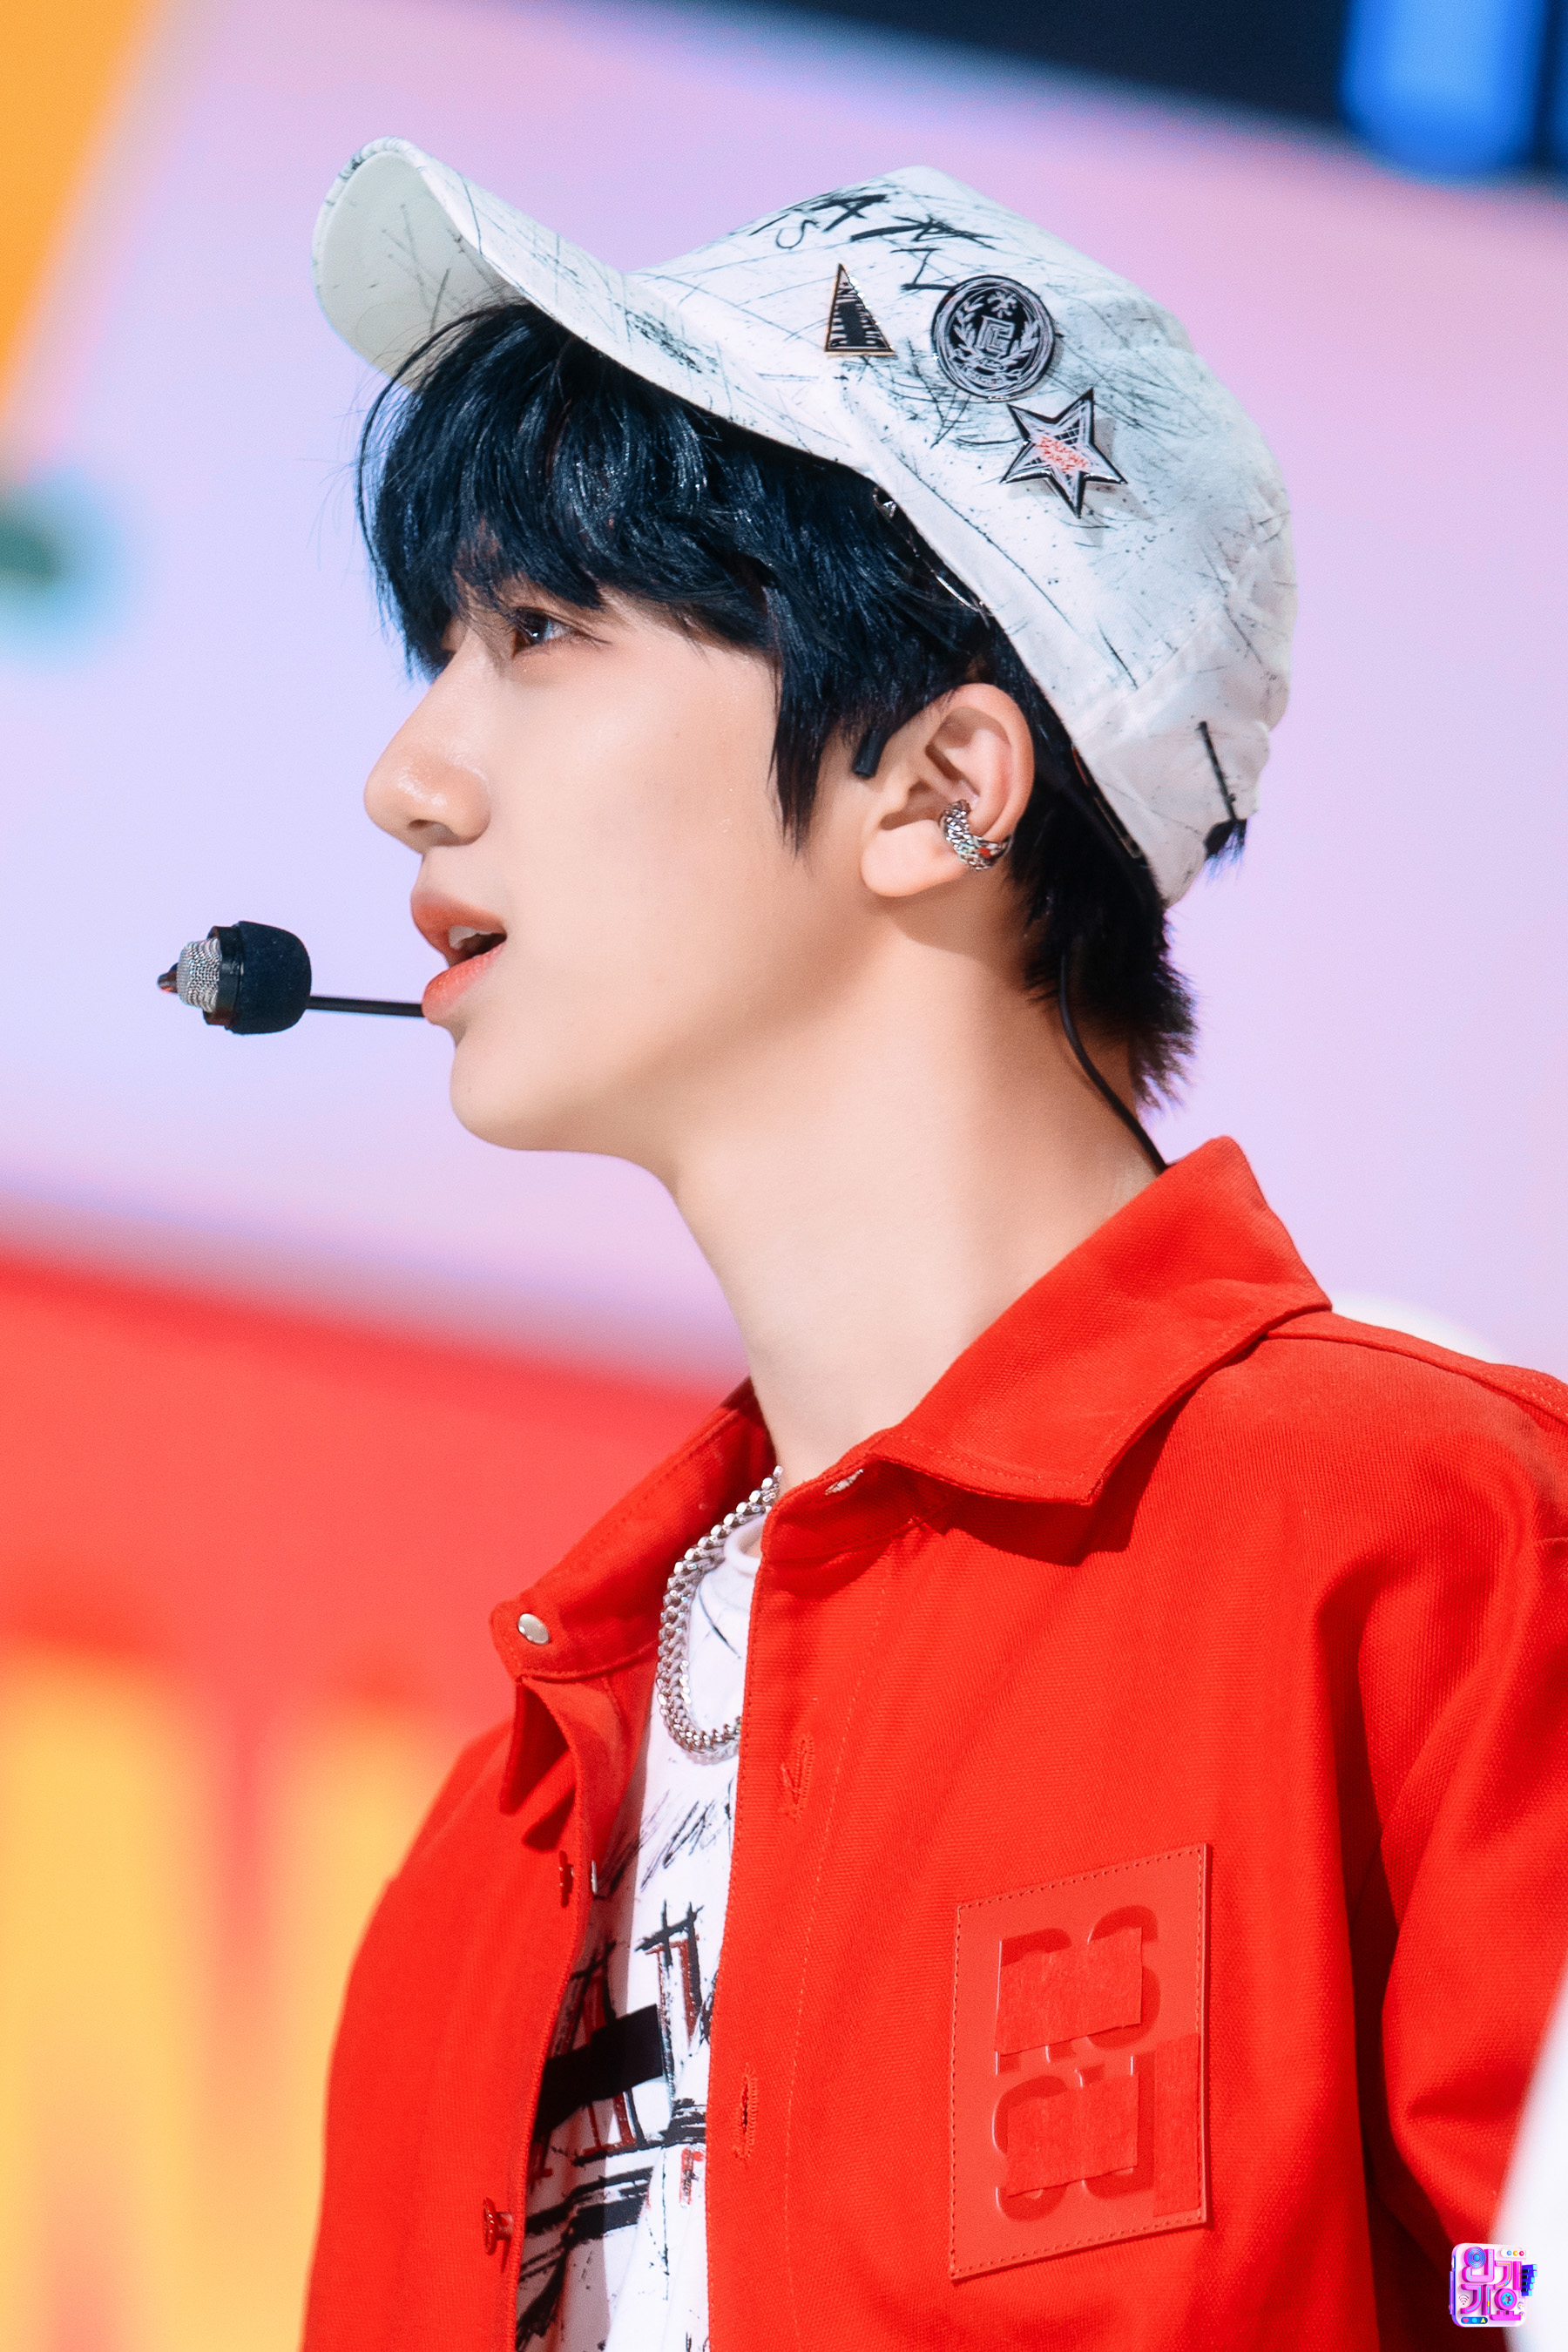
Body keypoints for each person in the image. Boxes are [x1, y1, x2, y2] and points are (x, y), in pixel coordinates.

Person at [301, 142, 1568, 2352]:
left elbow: (1523, 2277)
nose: (410, 775)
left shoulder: (1434, 1541)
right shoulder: (487, 1854)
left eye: (539, 634)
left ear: (942, 785)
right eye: (441, 650)